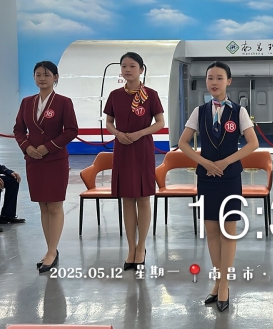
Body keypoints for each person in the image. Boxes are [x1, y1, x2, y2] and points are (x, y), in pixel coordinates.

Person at [178, 61, 258, 312]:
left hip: (230, 177)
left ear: (228, 81)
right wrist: (204, 162)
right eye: (210, 78)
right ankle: (217, 281)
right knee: (211, 230)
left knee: (228, 230)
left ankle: (224, 284)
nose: (214, 82)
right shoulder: (199, 111)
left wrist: (225, 162)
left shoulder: (239, 111)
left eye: (219, 78)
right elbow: (183, 143)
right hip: (206, 177)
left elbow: (252, 143)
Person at [13, 61, 78, 273]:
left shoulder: (63, 102)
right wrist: (27, 147)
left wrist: (47, 147)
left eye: (47, 74)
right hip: (34, 161)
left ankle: (51, 251)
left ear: (55, 78)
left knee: (55, 206)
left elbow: (71, 130)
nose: (42, 78)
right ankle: (51, 250)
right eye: (38, 74)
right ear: (34, 77)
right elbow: (18, 129)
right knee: (43, 206)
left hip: (55, 159)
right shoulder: (27, 102)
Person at [104, 52, 164, 272]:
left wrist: (140, 133)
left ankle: (141, 247)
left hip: (142, 148)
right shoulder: (114, 95)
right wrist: (117, 134)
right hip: (122, 148)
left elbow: (160, 122)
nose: (127, 70)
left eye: (132, 66)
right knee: (127, 199)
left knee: (143, 198)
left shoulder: (150, 95)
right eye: (124, 66)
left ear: (141, 69)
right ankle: (131, 248)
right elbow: (109, 122)